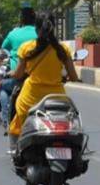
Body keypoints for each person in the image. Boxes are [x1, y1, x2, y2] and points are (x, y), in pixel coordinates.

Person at [8, 15, 80, 153]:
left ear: (36, 29)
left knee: (17, 118)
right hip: (57, 98)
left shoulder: (26, 48)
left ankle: (14, 150)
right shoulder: (62, 49)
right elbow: (73, 76)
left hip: (30, 99)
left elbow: (18, 74)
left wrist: (11, 73)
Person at [0, 6, 38, 130]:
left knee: (2, 87)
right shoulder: (41, 34)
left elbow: (3, 48)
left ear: (21, 20)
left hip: (19, 77)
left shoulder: (13, 33)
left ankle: (6, 120)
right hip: (38, 77)